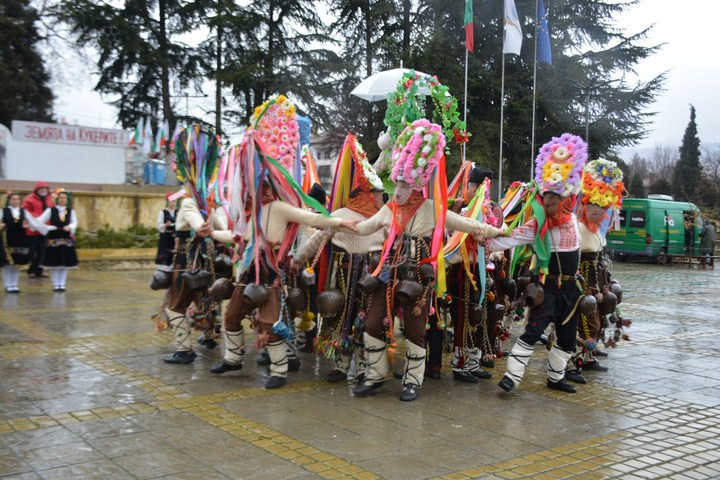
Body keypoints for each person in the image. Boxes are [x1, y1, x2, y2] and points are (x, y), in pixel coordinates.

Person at [206, 95, 358, 388]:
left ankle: (278, 371)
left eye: (258, 183)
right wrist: (211, 233)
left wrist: (340, 221)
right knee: (232, 316)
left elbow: (312, 219)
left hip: (271, 274)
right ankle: (233, 359)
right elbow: (237, 238)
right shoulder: (249, 214)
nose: (253, 188)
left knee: (270, 323)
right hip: (247, 273)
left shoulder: (279, 207)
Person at [351, 120, 503, 401]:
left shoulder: (432, 208)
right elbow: (365, 227)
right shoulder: (390, 207)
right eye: (397, 183)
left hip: (418, 278)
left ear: (418, 183)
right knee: (372, 323)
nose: (398, 189)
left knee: (415, 330)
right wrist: (335, 222)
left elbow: (468, 225)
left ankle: (412, 381)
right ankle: (374, 375)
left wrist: (497, 231)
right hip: (388, 273)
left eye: (404, 184)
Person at [489, 133, 588, 394]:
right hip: (547, 290)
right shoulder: (538, 225)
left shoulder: (576, 221)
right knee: (532, 333)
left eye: (555, 198)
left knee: (567, 338)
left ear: (567, 199)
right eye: (546, 198)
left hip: (571, 291)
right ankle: (511, 376)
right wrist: (482, 239)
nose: (549, 202)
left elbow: (580, 187)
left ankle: (556, 378)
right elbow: (508, 239)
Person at [294, 133, 386, 383]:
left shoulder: (379, 216)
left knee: (357, 319)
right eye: (376, 194)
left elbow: (394, 243)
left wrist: (297, 258)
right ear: (366, 194)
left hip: (368, 274)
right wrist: (299, 257)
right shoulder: (346, 215)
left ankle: (352, 366)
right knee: (348, 318)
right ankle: (347, 364)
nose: (379, 198)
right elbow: (318, 239)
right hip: (350, 274)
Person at [565, 159, 625, 383]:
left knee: (599, 317)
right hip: (583, 280)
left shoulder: (599, 232)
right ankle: (573, 361)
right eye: (592, 209)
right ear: (584, 207)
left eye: (600, 210)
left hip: (599, 280)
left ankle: (588, 357)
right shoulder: (577, 229)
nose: (596, 213)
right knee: (587, 321)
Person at [446, 166, 495, 383]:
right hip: (461, 272)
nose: (485, 192)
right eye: (480, 187)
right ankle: (460, 365)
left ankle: (473, 362)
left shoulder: (487, 212)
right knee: (462, 317)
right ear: (472, 187)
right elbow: (451, 239)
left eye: (487, 188)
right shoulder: (464, 214)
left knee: (477, 316)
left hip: (480, 271)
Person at [0, 192, 50, 293]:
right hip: (7, 239)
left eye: (17, 199)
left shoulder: (24, 212)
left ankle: (14, 284)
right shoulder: (3, 211)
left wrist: (46, 229)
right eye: (13, 199)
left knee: (17, 262)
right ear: (9, 200)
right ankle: (8, 285)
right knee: (8, 264)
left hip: (20, 240)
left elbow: (34, 222)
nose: (16, 201)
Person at [36, 190, 78, 292]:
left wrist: (70, 227)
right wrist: (49, 227)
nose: (62, 200)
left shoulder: (70, 211)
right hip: (54, 237)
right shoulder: (51, 210)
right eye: (61, 198)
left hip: (66, 237)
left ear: (67, 200)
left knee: (64, 263)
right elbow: (39, 221)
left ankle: (62, 284)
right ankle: (55, 284)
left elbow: (74, 222)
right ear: (57, 199)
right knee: (54, 263)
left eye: (64, 198)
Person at [22, 181, 54, 278]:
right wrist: (38, 219)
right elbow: (25, 211)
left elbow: (52, 212)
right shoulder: (29, 199)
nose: (43, 190)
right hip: (33, 230)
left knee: (43, 251)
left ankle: (40, 270)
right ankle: (31, 270)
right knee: (32, 251)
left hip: (44, 229)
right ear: (37, 190)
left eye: (45, 189)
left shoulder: (49, 200)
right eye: (41, 189)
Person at [155, 193, 178, 271]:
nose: (174, 203)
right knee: (166, 253)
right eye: (172, 201)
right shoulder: (162, 213)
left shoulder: (178, 212)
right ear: (168, 201)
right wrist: (165, 225)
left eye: (175, 201)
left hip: (176, 237)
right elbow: (159, 226)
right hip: (166, 237)